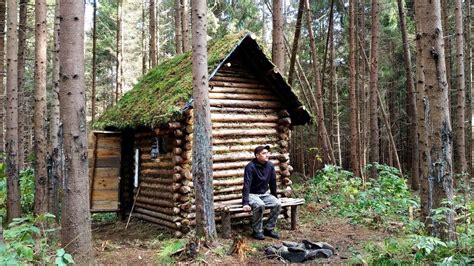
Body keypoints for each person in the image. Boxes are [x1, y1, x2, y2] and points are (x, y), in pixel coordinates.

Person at [242, 145, 282, 240]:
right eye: (264, 153)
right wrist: (245, 203)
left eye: (267, 153)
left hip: (264, 194)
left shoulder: (270, 166)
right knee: (260, 205)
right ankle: (257, 231)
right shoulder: (250, 167)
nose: (267, 155)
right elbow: (246, 185)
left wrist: (275, 196)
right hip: (252, 194)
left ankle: (269, 229)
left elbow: (273, 183)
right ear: (257, 155)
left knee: (277, 203)